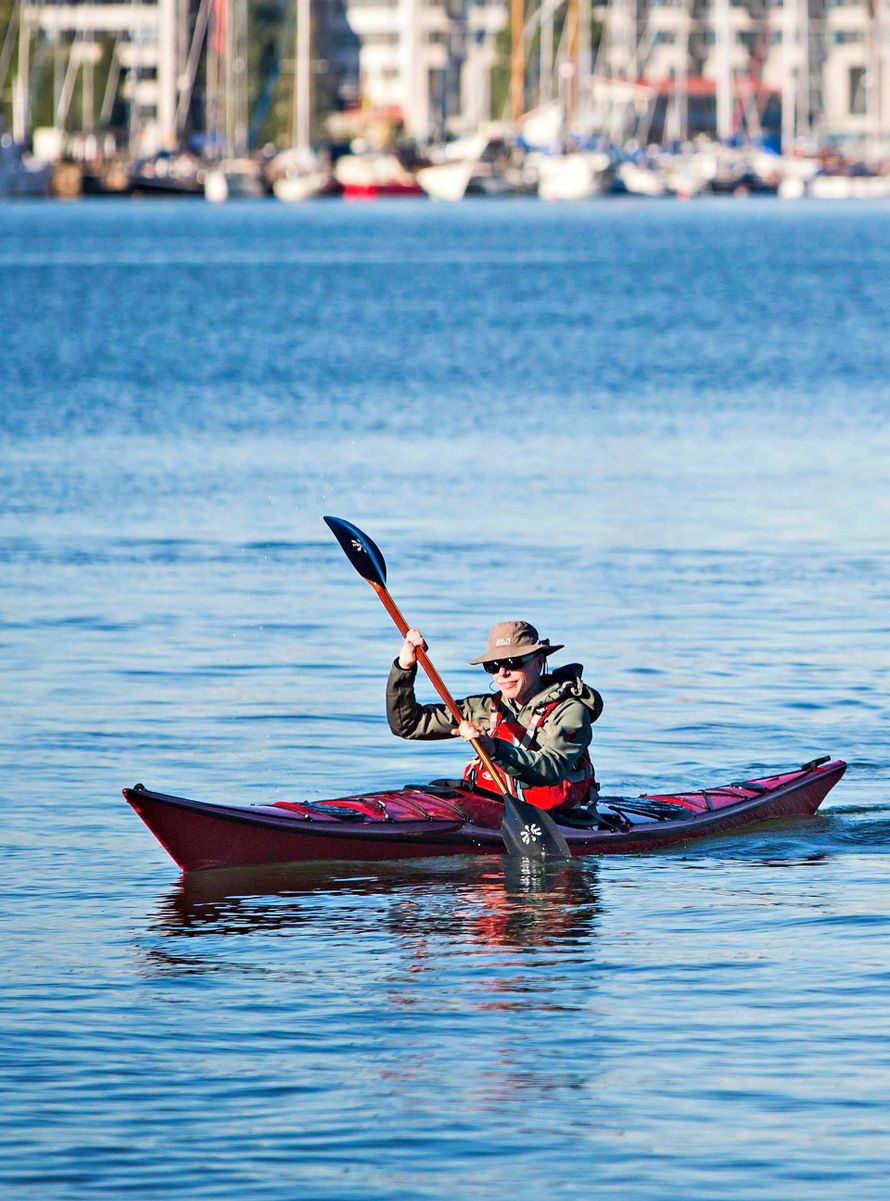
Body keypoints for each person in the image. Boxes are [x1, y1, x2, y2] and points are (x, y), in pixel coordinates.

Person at [386, 620, 603, 813]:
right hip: (492, 812)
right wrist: (404, 667)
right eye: (493, 666)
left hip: (559, 819)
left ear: (538, 662)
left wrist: (493, 748)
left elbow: (551, 769)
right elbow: (407, 725)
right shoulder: (483, 708)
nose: (502, 673)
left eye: (513, 662)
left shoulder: (570, 712)